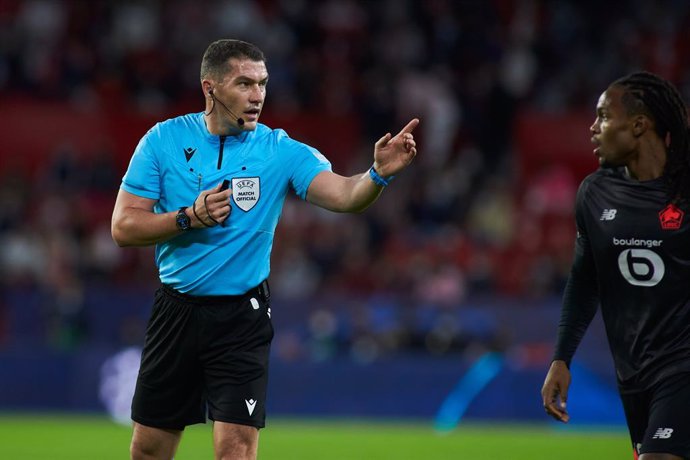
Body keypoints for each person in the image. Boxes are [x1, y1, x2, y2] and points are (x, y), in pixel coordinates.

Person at [111, 39, 418, 460]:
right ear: (211, 88)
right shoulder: (162, 140)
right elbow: (123, 227)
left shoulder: (279, 150)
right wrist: (188, 218)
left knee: (235, 449)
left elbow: (346, 195)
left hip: (241, 316)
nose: (257, 95)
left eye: (263, 84)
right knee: (149, 450)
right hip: (175, 310)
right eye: (244, 83)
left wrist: (377, 175)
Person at [541, 71, 690, 460]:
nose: (592, 129)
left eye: (604, 117)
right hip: (634, 375)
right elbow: (584, 281)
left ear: (639, 125)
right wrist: (561, 358)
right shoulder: (595, 193)